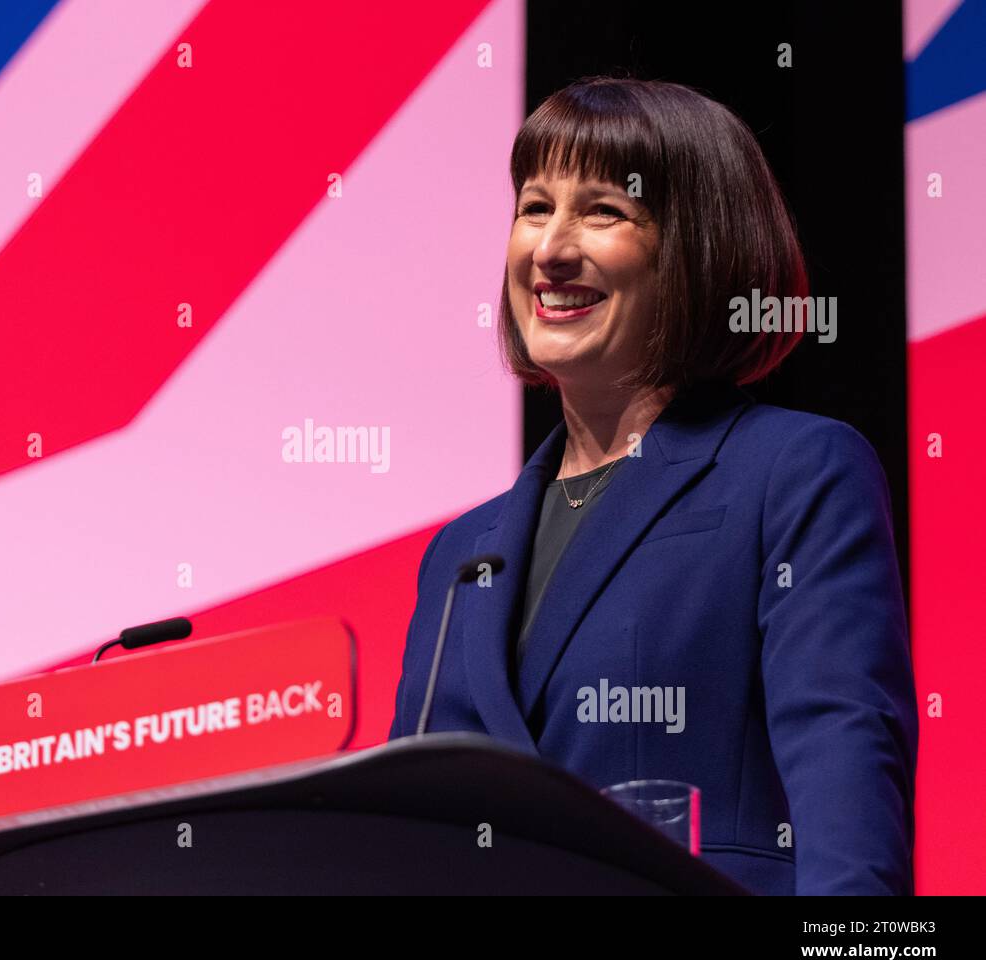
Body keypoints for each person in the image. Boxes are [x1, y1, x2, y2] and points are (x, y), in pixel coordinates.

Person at [387, 77, 918, 896]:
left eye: (602, 211)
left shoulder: (795, 473)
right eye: (535, 207)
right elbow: (405, 844)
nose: (551, 249)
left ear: (701, 246)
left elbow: (849, 810)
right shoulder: (459, 557)